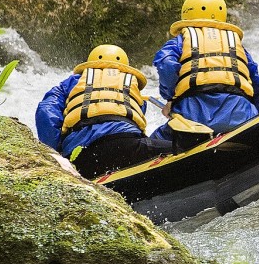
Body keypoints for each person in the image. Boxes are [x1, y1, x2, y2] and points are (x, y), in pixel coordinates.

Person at [35, 44, 172, 178]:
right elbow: (136, 121)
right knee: (179, 149)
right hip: (128, 145)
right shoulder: (131, 84)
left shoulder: (72, 82)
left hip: (84, 154)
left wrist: (57, 153)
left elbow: (45, 111)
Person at [151, 0, 259, 140]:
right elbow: (256, 82)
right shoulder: (236, 44)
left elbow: (166, 64)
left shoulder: (180, 41)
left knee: (155, 140)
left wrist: (170, 97)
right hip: (242, 114)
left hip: (193, 115)